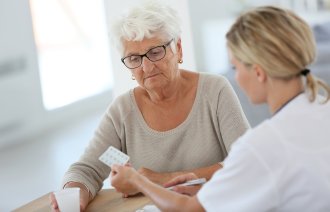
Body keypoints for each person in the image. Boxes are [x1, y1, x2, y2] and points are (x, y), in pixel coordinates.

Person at [110, 6, 330, 211]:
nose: (235, 76)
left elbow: (188, 209)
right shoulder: (323, 109)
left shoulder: (261, 146)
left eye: (236, 67)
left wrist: (137, 180)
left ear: (259, 72)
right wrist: (214, 189)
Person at [50, 0, 249, 211]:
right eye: (134, 58)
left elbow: (247, 162)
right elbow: (86, 169)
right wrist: (76, 192)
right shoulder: (122, 110)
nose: (146, 67)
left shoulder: (214, 90)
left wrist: (160, 179)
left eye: (155, 52)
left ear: (178, 49)